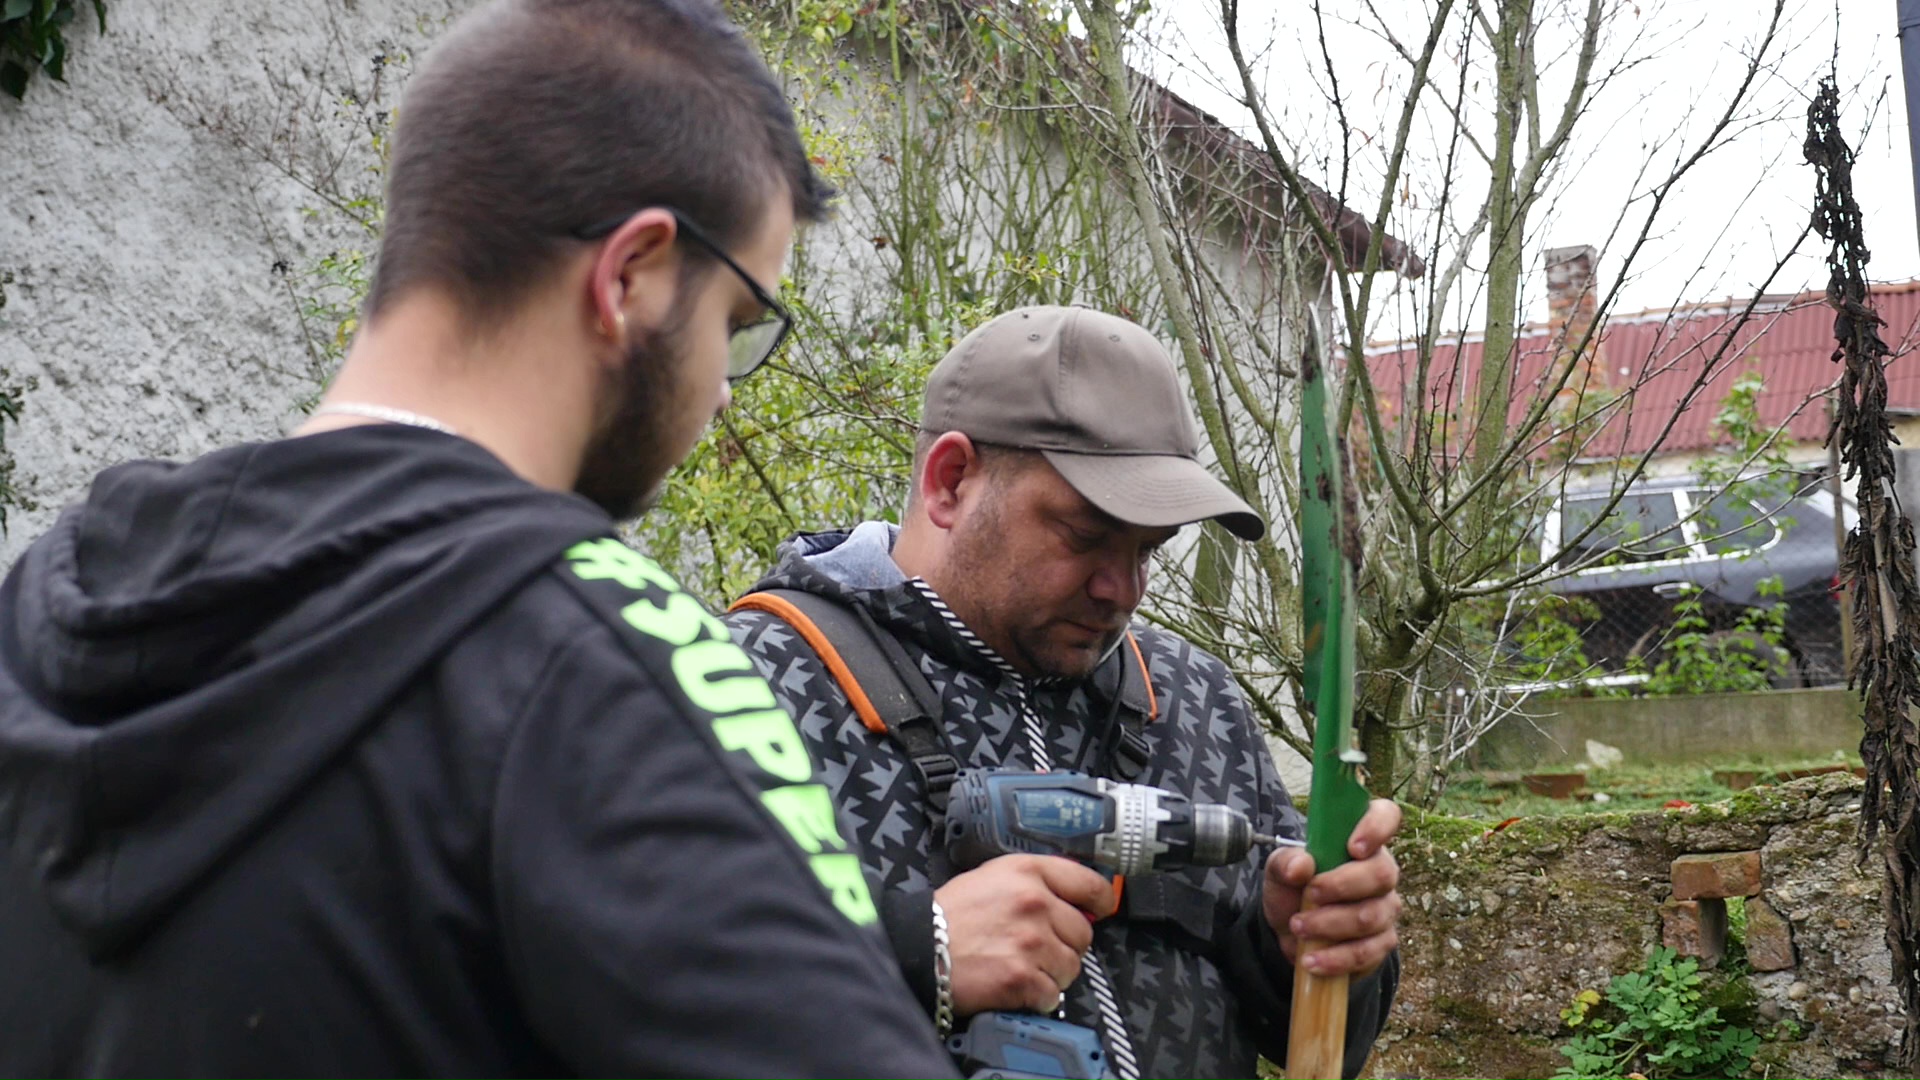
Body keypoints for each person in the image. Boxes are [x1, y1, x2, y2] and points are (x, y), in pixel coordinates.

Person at [0, 1, 960, 1077]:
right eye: (736, 327)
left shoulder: (53, 590)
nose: (722, 396)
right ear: (633, 273)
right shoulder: (609, 664)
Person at [725, 305, 1404, 1080]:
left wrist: (1307, 953)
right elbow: (638, 999)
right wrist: (916, 954)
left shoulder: (1193, 697)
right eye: (1083, 536)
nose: (1123, 590)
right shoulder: (749, 685)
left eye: (1148, 549)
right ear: (950, 481)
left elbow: (1314, 1040)